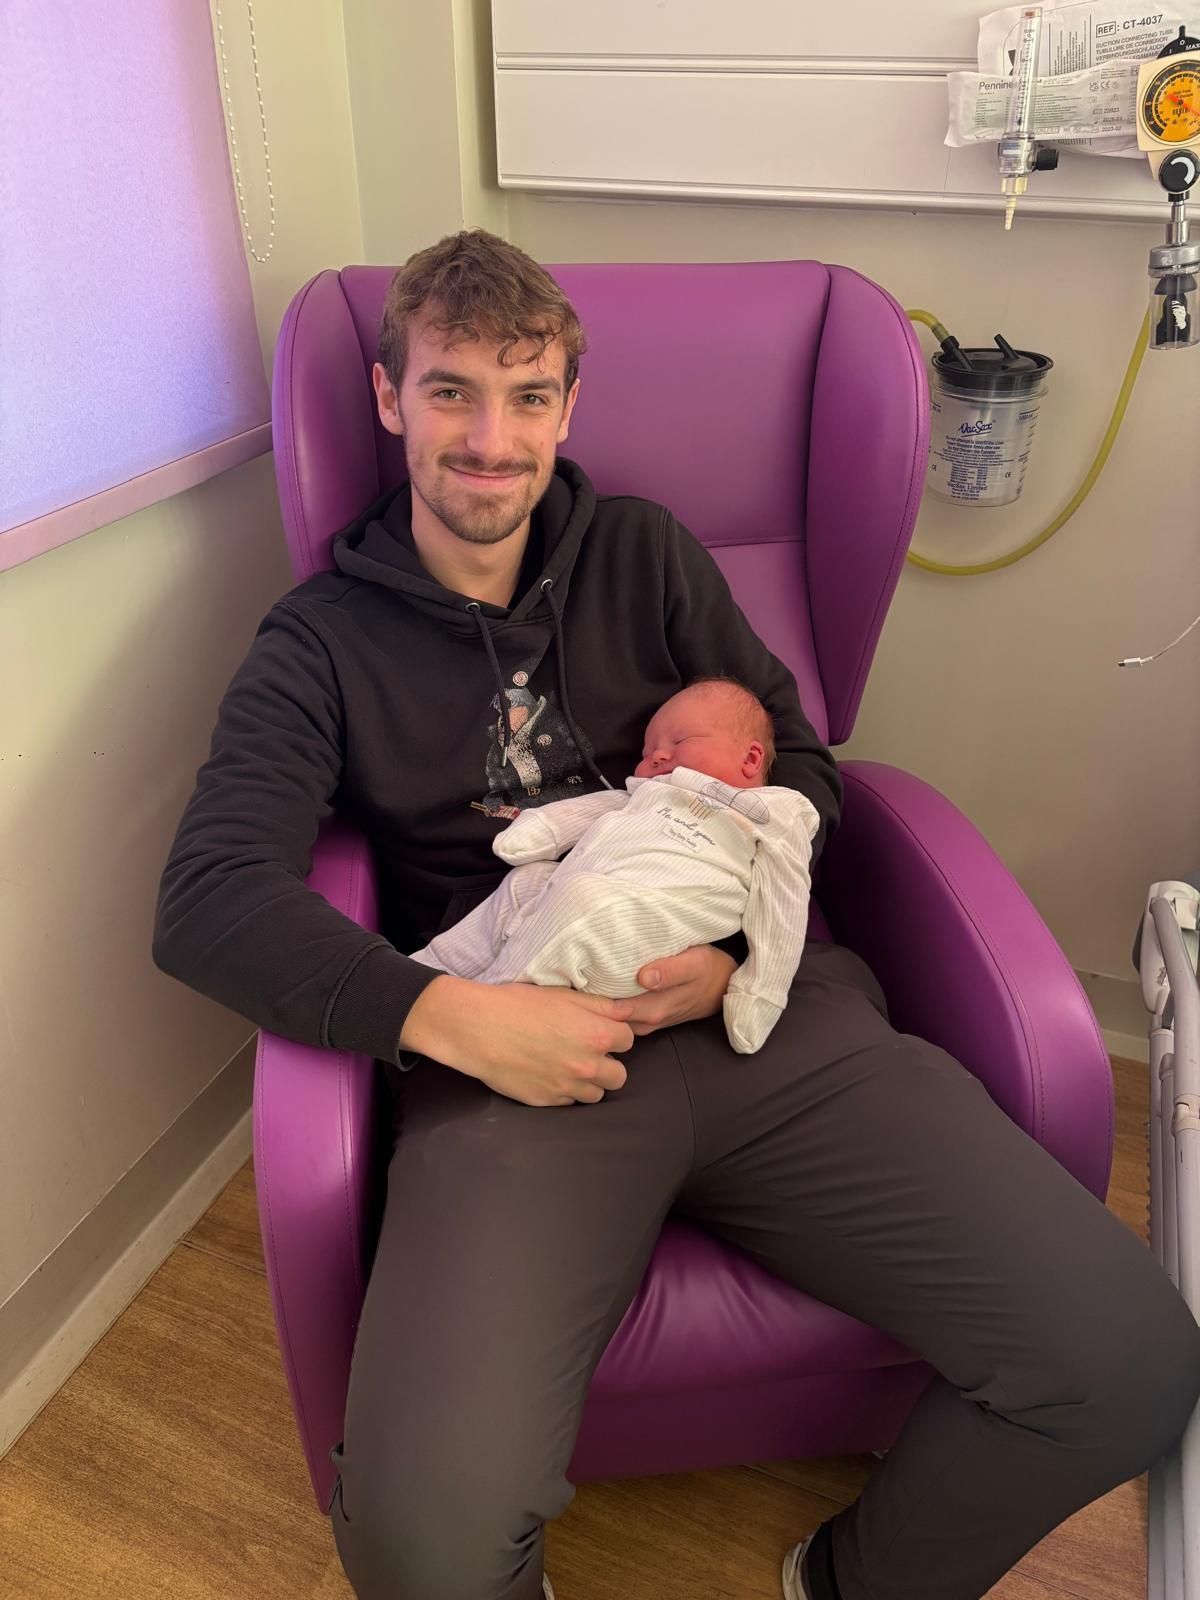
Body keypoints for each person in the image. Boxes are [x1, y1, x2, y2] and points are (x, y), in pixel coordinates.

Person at [153, 228, 1200, 1600]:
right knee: (423, 1545)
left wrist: (734, 952)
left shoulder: (642, 553)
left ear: (568, 408)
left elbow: (802, 762)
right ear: (388, 396)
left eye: (528, 397)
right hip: (520, 1059)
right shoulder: (320, 643)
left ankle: (845, 1581)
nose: (491, 438)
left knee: (1126, 1366)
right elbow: (208, 899)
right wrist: (457, 1022)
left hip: (765, 1025)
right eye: (453, 390)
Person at [409, 677, 821, 1055]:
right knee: (529, 880)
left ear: (750, 758)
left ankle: (488, 1006)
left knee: (579, 897)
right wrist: (540, 829)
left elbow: (783, 910)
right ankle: (426, 972)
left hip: (646, 933)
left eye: (680, 741)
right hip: (583, 898)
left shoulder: (772, 815)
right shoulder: (646, 792)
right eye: (647, 751)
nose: (657, 755)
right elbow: (587, 810)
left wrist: (758, 992)